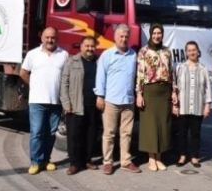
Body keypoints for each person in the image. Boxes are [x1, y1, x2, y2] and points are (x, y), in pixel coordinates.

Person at [20, 27, 69, 175]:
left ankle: (46, 160)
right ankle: (35, 162)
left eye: (52, 37)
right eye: (47, 37)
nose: (49, 40)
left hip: (55, 102)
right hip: (37, 102)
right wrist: (34, 86)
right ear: (42, 38)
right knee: (36, 132)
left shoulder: (64, 55)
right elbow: (23, 73)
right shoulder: (32, 54)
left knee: (51, 133)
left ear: (57, 38)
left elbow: (67, 77)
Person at [95, 24, 141, 175]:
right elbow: (100, 77)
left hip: (128, 101)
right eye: (121, 36)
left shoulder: (134, 55)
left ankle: (125, 161)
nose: (124, 39)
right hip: (111, 101)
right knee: (109, 133)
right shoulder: (107, 55)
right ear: (115, 37)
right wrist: (100, 96)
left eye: (126, 36)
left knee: (126, 133)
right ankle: (108, 162)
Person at [136, 23, 176, 172]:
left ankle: (159, 158)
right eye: (154, 33)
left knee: (163, 125)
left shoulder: (167, 52)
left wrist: (173, 91)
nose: (157, 36)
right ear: (151, 34)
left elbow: (172, 72)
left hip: (164, 90)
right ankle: (151, 158)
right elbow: (140, 73)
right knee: (150, 125)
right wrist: (139, 93)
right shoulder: (143, 52)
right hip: (150, 90)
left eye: (159, 33)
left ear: (162, 34)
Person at [60, 35, 101, 175]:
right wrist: (66, 103)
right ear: (81, 47)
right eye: (87, 46)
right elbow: (64, 83)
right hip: (75, 105)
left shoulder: (98, 62)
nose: (90, 49)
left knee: (91, 134)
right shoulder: (73, 61)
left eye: (92, 46)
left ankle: (87, 160)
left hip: (93, 105)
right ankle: (74, 163)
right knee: (74, 136)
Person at [173, 40, 212, 169]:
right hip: (183, 106)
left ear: (198, 51)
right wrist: (175, 105)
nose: (192, 52)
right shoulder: (179, 68)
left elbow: (208, 88)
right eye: (189, 50)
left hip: (197, 106)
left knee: (195, 133)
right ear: (186, 53)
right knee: (182, 133)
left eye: (194, 50)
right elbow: (175, 87)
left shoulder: (203, 69)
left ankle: (194, 157)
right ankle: (182, 156)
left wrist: (207, 105)